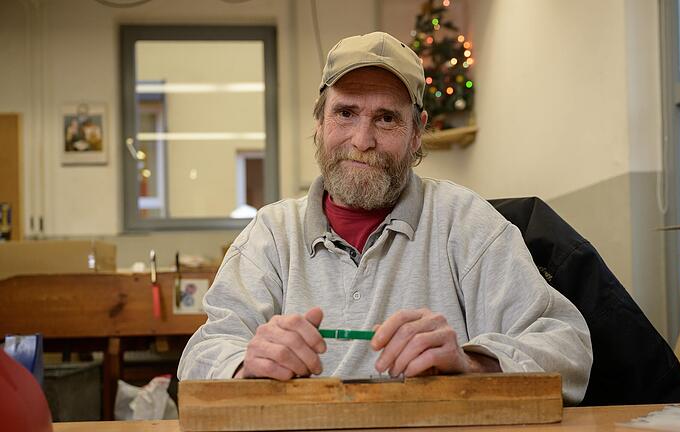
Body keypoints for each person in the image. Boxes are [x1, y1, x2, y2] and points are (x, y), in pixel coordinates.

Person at [178, 31, 593, 404]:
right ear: (320, 123)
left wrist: (473, 364)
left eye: (387, 118)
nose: (362, 140)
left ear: (416, 133)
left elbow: (568, 348)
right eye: (345, 113)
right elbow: (200, 356)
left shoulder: (466, 223)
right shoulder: (270, 235)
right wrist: (247, 364)